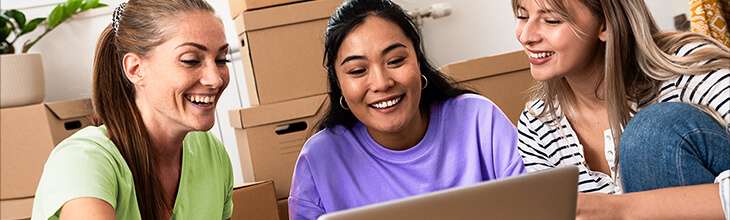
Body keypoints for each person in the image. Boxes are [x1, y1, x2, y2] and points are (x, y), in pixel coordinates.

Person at [287, 0, 526, 219]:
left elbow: (536, 206)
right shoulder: (320, 160)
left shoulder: (479, 120)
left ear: (418, 60)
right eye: (358, 70)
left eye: (395, 61)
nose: (381, 83)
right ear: (339, 83)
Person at [512, 0, 730, 219]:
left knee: (650, 132)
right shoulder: (537, 125)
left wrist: (619, 209)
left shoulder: (688, 69)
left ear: (606, 24)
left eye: (552, 20)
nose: (526, 36)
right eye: (522, 16)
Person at [31, 0, 233, 219]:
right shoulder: (83, 161)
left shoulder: (211, 153)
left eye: (221, 59)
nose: (215, 79)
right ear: (136, 69)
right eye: (191, 60)